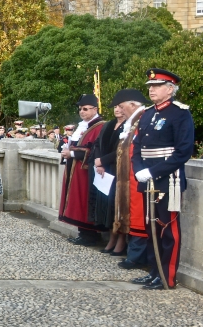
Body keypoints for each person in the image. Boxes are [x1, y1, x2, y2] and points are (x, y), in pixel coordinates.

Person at [130, 69, 195, 290]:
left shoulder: (180, 113)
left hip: (168, 179)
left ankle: (167, 276)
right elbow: (137, 146)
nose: (151, 89)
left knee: (168, 229)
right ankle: (153, 271)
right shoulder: (147, 113)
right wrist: (138, 169)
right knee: (151, 229)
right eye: (150, 86)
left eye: (156, 86)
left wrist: (153, 172)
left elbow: (183, 151)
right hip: (146, 177)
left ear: (170, 89)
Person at [58, 94, 105, 245]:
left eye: (85, 109)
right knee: (78, 200)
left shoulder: (99, 125)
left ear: (95, 109)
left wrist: (71, 153)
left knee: (84, 200)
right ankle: (83, 233)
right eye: (80, 109)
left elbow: (94, 149)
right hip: (76, 168)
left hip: (87, 171)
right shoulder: (83, 125)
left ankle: (90, 235)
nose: (82, 112)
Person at [113, 89, 150, 270]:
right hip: (129, 177)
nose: (120, 110)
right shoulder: (133, 121)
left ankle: (137, 256)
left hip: (138, 176)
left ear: (133, 104)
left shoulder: (143, 119)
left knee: (139, 216)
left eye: (122, 106)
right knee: (133, 214)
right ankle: (133, 253)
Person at [93, 100, 126, 254]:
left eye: (120, 106)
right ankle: (111, 238)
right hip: (104, 170)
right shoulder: (108, 125)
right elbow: (98, 144)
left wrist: (103, 160)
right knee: (107, 206)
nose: (117, 110)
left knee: (116, 206)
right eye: (115, 107)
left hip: (118, 169)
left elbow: (121, 150)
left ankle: (120, 240)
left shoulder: (128, 126)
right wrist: (99, 163)